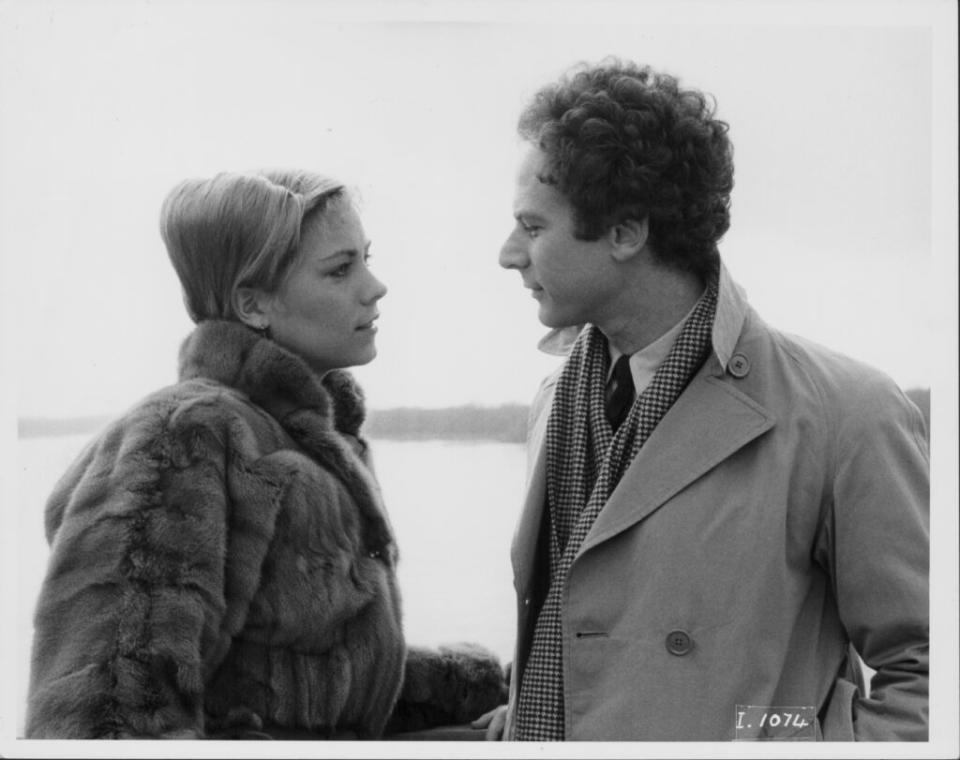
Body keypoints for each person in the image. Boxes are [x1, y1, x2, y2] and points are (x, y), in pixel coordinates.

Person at [474, 60, 929, 741]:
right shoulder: (552, 403)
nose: (508, 254)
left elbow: (927, 666)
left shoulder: (847, 411)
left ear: (627, 231)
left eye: (533, 227)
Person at [26, 170, 506, 739]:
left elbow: (311, 685)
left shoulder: (306, 441)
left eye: (366, 260)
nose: (375, 287)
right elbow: (108, 712)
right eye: (340, 269)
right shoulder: (186, 437)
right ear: (253, 304)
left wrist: (484, 688)